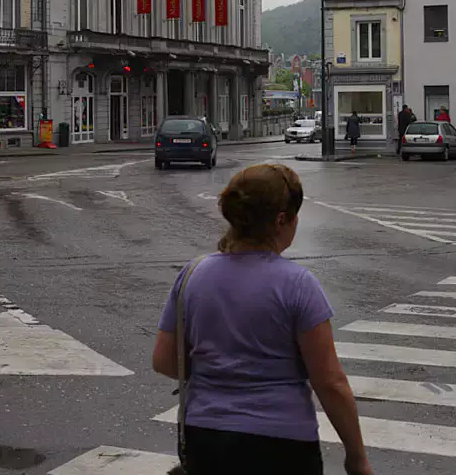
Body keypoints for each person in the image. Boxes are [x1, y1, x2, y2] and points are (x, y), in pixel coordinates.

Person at [153, 164, 374, 475]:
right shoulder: (298, 284)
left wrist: (220, 370)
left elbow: (164, 359)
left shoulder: (193, 275)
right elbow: (330, 382)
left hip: (206, 439)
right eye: (295, 215)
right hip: (281, 445)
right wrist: (357, 458)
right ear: (281, 220)